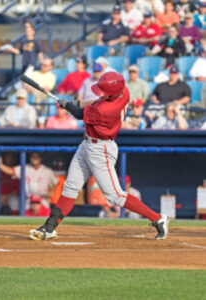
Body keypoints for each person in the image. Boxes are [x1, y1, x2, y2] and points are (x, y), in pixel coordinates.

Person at [28, 71, 169, 241]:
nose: (101, 94)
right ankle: (49, 228)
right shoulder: (123, 92)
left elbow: (80, 113)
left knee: (115, 195)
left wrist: (68, 106)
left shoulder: (105, 110)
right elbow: (93, 102)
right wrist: (74, 103)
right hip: (86, 145)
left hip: (100, 150)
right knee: (71, 187)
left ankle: (158, 218)